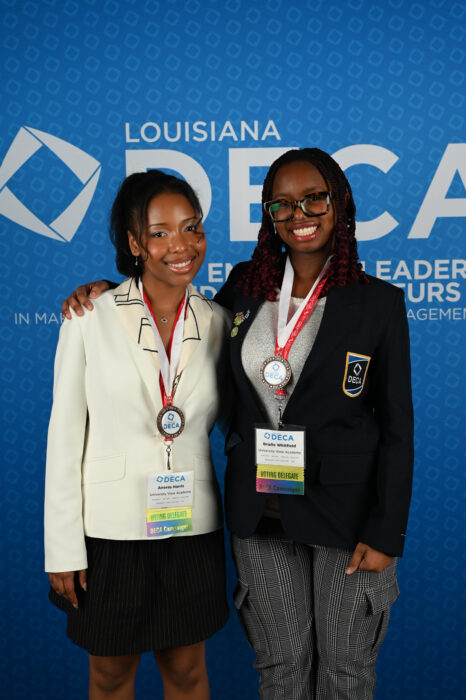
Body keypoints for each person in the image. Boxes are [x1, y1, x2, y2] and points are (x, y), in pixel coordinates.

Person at [62, 148, 414, 700]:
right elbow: (167, 308)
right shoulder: (244, 290)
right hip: (262, 512)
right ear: (269, 215)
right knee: (280, 666)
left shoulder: (378, 304)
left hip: (347, 515)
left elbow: (398, 426)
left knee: (346, 670)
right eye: (283, 203)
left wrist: (386, 530)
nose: (300, 213)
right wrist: (108, 290)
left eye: (315, 197)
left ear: (341, 203)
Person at [45, 170, 230, 700]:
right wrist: (62, 547)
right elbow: (64, 437)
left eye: (191, 227)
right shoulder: (89, 316)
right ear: (133, 243)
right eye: (160, 232)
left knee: (188, 672)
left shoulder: (220, 321)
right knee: (109, 675)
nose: (181, 245)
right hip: (108, 533)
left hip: (190, 527)